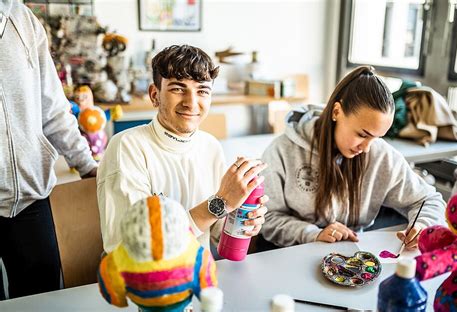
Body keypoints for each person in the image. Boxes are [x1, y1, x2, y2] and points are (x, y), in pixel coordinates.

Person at [97, 44, 268, 254]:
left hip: (199, 273)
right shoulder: (127, 146)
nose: (191, 103)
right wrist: (220, 203)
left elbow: (213, 231)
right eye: (178, 89)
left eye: (202, 91)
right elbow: (135, 248)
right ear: (154, 95)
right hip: (143, 282)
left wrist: (240, 217)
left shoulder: (210, 146)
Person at [260, 66, 446, 249]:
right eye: (363, 135)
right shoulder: (281, 151)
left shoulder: (380, 154)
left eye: (376, 138)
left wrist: (422, 226)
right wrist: (312, 234)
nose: (366, 149)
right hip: (295, 253)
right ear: (336, 112)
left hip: (355, 256)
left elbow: (429, 200)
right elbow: (268, 218)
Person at [0, 0, 97, 299]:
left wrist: (87, 164)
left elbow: (53, 108)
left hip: (31, 198)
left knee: (42, 300)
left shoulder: (23, 19)